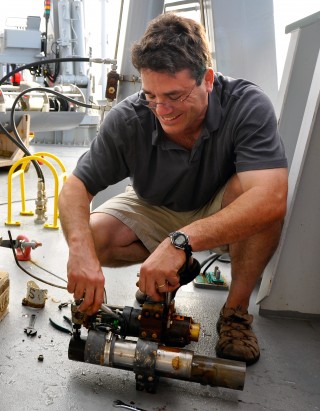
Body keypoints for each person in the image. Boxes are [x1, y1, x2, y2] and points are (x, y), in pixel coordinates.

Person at [58, 12, 288, 365]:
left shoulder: (247, 105)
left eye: (175, 96)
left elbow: (270, 198)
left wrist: (180, 240)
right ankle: (172, 271)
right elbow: (75, 187)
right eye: (151, 95)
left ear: (207, 79)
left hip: (219, 200)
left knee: (258, 199)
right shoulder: (130, 117)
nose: (161, 110)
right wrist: (81, 253)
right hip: (153, 202)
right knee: (94, 237)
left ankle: (236, 313)